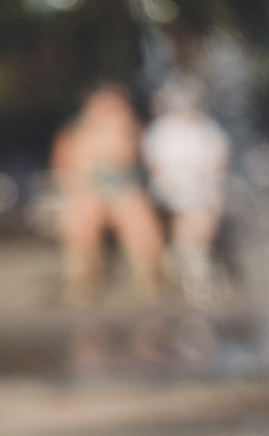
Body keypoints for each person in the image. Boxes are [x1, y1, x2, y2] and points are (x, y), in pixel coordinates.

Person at [51, 84, 163, 302]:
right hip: (86, 191)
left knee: (138, 218)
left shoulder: (128, 127)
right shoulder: (74, 130)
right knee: (79, 221)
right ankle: (83, 283)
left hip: (122, 189)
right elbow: (65, 170)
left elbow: (130, 160)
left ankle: (150, 281)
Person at [141, 82, 230, 302]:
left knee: (201, 213)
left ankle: (190, 263)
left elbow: (219, 162)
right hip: (172, 188)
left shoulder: (207, 128)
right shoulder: (161, 130)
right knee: (194, 215)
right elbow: (155, 166)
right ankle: (195, 269)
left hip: (203, 188)